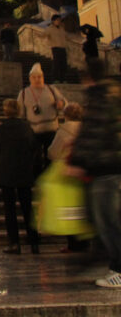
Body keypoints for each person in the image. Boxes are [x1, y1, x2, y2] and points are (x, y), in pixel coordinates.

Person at [67, 59, 121, 288]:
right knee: (107, 220)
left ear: (88, 79)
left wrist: (79, 161)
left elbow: (94, 131)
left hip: (105, 166)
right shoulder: (114, 93)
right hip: (113, 164)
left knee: (107, 222)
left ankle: (119, 271)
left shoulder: (100, 96)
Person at [0, 98, 39, 255]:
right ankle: (34, 242)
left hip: (7, 173)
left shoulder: (2, 128)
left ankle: (14, 243)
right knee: (27, 208)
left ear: (6, 110)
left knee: (10, 209)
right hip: (24, 171)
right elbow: (35, 148)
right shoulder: (26, 127)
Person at [48, 102, 89, 253]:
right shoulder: (87, 129)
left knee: (70, 209)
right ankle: (86, 241)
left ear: (66, 115)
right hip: (85, 171)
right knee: (83, 206)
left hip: (67, 172)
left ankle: (73, 244)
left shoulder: (63, 130)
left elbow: (53, 152)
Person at [17, 63, 66, 173]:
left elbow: (64, 102)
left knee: (51, 156)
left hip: (51, 129)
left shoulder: (51, 89)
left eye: (39, 77)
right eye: (34, 77)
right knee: (35, 157)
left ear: (43, 77)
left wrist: (60, 104)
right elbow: (20, 113)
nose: (37, 79)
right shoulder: (24, 93)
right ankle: (37, 176)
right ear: (30, 79)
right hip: (34, 131)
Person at [46, 14, 67, 83]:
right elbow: (44, 34)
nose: (59, 21)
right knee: (56, 64)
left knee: (63, 64)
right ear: (53, 21)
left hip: (63, 47)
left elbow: (66, 37)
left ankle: (63, 79)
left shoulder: (62, 28)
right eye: (57, 20)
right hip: (55, 47)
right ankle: (56, 79)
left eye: (60, 20)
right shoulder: (50, 29)